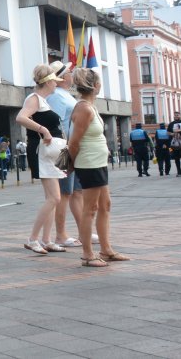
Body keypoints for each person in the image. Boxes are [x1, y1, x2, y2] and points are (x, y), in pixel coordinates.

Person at [67, 68, 128, 266]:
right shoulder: (84, 108)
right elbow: (74, 142)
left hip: (97, 162)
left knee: (105, 205)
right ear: (96, 86)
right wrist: (71, 164)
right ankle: (87, 254)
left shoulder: (89, 106)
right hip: (89, 163)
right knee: (90, 209)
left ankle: (106, 249)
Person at [15, 64, 68, 255]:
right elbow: (21, 117)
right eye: (54, 81)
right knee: (54, 198)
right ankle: (33, 239)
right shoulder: (34, 98)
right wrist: (43, 130)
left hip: (49, 152)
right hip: (41, 151)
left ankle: (46, 239)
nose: (56, 84)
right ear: (48, 82)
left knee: (52, 198)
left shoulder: (41, 100)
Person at [45, 60, 88, 250]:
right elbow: (57, 124)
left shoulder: (65, 95)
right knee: (64, 192)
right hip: (65, 148)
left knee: (77, 191)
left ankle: (83, 231)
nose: (72, 74)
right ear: (63, 77)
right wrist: (65, 148)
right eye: (69, 71)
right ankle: (61, 234)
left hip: (73, 147)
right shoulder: (56, 96)